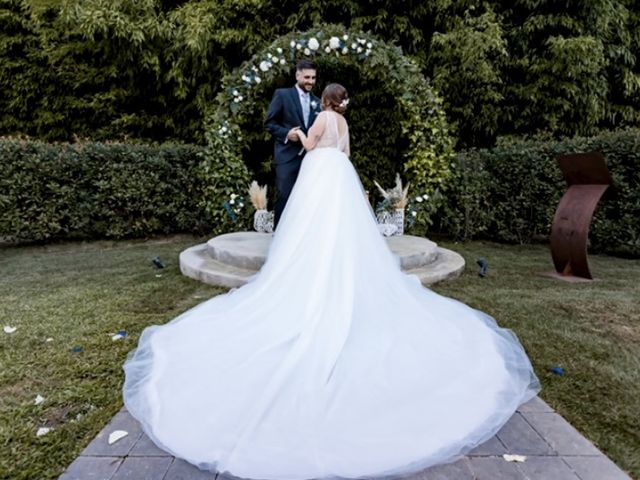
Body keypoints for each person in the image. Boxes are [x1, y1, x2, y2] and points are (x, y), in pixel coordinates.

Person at [123, 83, 540, 480]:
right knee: (338, 232)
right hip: (338, 177)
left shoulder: (321, 119)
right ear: (345, 104)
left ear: (326, 101)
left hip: (318, 177)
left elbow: (308, 146)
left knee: (307, 231)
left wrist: (302, 134)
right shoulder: (345, 126)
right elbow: (345, 152)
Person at [265, 59, 322, 228]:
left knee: (307, 198)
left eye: (313, 78)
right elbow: (269, 123)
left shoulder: (318, 101)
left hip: (310, 158)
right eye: (306, 77)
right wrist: (287, 134)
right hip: (287, 156)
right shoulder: (282, 95)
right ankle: (279, 235)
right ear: (297, 75)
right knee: (284, 195)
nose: (310, 81)